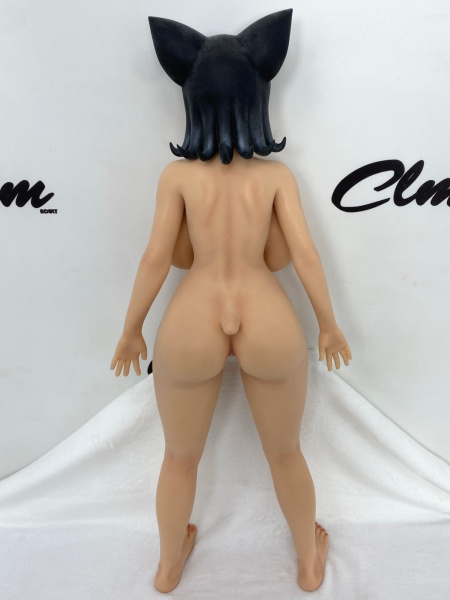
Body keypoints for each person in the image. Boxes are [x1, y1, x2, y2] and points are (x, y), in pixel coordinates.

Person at [110, 9, 352, 593]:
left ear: (191, 99)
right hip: (265, 313)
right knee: (286, 454)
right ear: (257, 97)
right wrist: (328, 324)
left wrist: (131, 329)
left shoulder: (176, 177)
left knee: (178, 458)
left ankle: (168, 567)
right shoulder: (276, 178)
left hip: (192, 317)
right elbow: (295, 256)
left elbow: (162, 258)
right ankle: (308, 563)